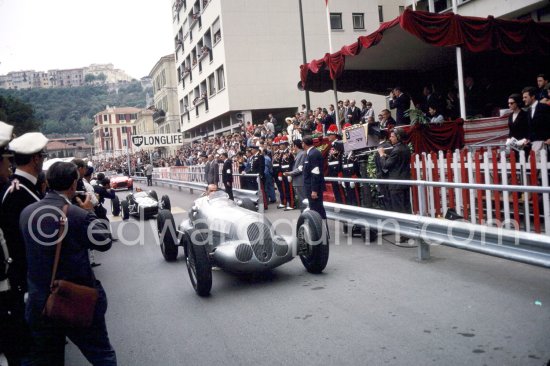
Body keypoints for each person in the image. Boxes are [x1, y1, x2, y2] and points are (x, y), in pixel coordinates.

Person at [20, 161, 117, 365]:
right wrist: (89, 211)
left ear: (47, 182)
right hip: (76, 299)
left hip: (39, 302)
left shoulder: (26, 213)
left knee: (49, 359)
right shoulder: (76, 214)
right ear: (74, 185)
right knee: (101, 355)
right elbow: (105, 241)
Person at [0, 132, 48, 366]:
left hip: (30, 280)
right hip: (25, 281)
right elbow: (20, 244)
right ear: (36, 159)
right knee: (31, 350)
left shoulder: (26, 190)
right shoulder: (18, 194)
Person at [377, 129, 411, 214]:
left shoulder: (396, 150)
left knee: (398, 210)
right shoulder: (406, 148)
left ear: (398, 138)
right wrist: (387, 155)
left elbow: (385, 165)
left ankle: (401, 226)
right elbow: (398, 161)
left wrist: (381, 155)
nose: (390, 138)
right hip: (405, 183)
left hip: (396, 185)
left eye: (392, 136)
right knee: (407, 207)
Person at [302, 136, 326, 219]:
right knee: (314, 210)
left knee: (317, 210)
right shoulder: (310, 153)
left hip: (314, 188)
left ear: (304, 144)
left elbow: (315, 173)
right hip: (311, 187)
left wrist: (314, 190)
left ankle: (322, 230)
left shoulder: (313, 154)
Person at [522, 86, 550, 153]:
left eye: (525, 97)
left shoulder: (544, 107)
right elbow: (531, 129)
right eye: (523, 97)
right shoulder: (528, 111)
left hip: (545, 144)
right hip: (534, 145)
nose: (523, 99)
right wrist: (528, 139)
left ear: (532, 97)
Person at [284, 139, 305, 210]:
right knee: (300, 201)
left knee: (303, 201)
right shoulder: (298, 154)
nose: (292, 148)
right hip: (297, 181)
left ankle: (306, 217)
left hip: (300, 181)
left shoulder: (302, 154)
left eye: (293, 146)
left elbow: (300, 168)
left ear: (295, 146)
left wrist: (290, 173)